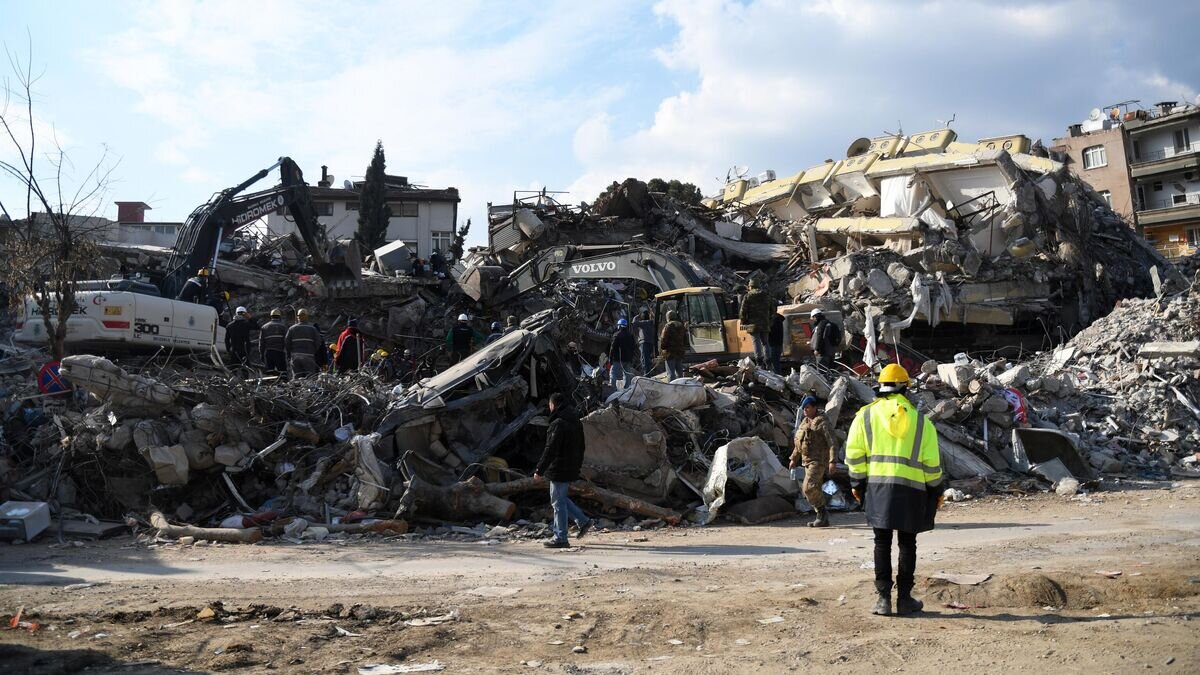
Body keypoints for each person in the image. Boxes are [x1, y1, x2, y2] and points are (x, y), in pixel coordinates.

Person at [846, 363, 944, 616]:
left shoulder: (864, 416)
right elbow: (931, 464)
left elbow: (854, 455)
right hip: (912, 492)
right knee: (907, 543)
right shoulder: (922, 423)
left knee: (881, 542)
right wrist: (937, 491)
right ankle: (904, 599)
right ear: (906, 388)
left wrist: (857, 484)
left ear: (880, 386)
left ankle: (882, 600)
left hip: (877, 489)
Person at [533, 392, 592, 549]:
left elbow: (550, 449)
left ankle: (560, 537)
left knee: (558, 502)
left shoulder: (558, 423)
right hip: (571, 466)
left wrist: (539, 469)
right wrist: (578, 465)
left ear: (553, 405)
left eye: (550, 405)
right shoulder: (575, 421)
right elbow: (582, 446)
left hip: (559, 467)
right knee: (560, 498)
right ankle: (584, 521)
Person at [789, 396, 837, 528]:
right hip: (807, 461)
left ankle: (822, 513)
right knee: (812, 489)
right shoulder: (804, 423)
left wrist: (833, 461)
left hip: (818, 461)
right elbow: (799, 444)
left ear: (815, 408)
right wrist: (794, 458)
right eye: (804, 408)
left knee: (808, 487)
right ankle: (822, 516)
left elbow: (832, 443)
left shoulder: (822, 423)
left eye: (808, 407)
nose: (805, 410)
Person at [739, 278, 773, 366]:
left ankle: (759, 362)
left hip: (753, 324)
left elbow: (743, 311)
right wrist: (769, 319)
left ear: (750, 286)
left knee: (756, 342)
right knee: (765, 342)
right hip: (765, 323)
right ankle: (768, 361)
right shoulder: (766, 295)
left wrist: (743, 321)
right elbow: (773, 309)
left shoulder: (748, 296)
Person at [285, 308, 322, 377]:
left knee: (297, 378)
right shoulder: (312, 328)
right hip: (308, 356)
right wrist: (313, 351)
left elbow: (287, 343)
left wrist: (289, 354)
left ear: (297, 317)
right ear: (307, 316)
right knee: (310, 378)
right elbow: (318, 342)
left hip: (295, 356)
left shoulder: (292, 329)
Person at [659, 310, 688, 381]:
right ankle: (682, 386)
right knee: (680, 372)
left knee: (671, 373)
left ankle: (672, 388)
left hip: (670, 353)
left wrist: (663, 349)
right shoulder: (681, 326)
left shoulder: (667, 326)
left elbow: (663, 340)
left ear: (668, 317)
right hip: (680, 352)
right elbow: (686, 339)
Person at [608, 318, 636, 389]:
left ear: (619, 326)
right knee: (627, 375)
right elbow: (633, 347)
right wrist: (631, 358)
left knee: (613, 373)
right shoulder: (630, 335)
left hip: (618, 359)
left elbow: (612, 348)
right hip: (628, 359)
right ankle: (627, 390)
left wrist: (610, 359)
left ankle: (612, 390)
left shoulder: (616, 335)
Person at [259, 309, 288, 374]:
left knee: (270, 374)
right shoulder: (283, 326)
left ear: (271, 316)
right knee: (283, 373)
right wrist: (288, 353)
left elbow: (261, 342)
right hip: (280, 353)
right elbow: (286, 341)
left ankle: (270, 384)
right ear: (279, 316)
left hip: (269, 353)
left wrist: (261, 354)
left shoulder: (264, 327)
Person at [631, 309, 656, 374]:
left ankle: (646, 375)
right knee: (648, 360)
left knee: (644, 360)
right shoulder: (651, 322)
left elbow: (634, 323)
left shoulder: (644, 323)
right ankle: (649, 373)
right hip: (650, 343)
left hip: (644, 343)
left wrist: (636, 317)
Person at [767, 309, 784, 374]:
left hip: (774, 344)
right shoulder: (778, 319)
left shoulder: (774, 320)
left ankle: (778, 377)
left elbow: (771, 331)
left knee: (775, 362)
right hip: (777, 344)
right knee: (775, 361)